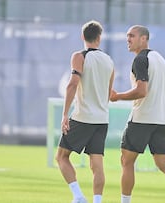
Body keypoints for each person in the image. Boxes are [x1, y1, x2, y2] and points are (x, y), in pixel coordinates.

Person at [110, 25, 165, 203]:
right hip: (161, 119)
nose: (128, 39)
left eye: (132, 36)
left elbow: (141, 91)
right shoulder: (159, 58)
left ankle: (125, 201)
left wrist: (117, 97)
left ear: (144, 38)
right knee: (164, 162)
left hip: (142, 118)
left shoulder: (141, 59)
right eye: (127, 36)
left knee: (126, 160)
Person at [55, 20, 114, 203]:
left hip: (82, 117)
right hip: (102, 119)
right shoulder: (109, 61)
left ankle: (78, 196)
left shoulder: (79, 56)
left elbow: (72, 84)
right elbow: (109, 94)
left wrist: (65, 114)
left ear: (83, 37)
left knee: (61, 157)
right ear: (99, 38)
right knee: (97, 165)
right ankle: (97, 201)